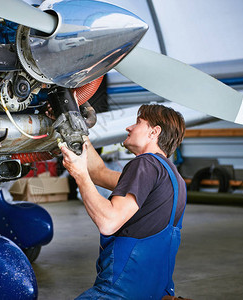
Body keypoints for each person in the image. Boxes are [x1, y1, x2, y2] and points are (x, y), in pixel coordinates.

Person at [60, 103, 187, 299]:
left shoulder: (145, 164)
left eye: (137, 122)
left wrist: (79, 174)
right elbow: (99, 173)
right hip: (154, 291)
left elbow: (108, 221)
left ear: (154, 132)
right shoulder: (171, 176)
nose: (129, 128)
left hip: (123, 290)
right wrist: (78, 131)